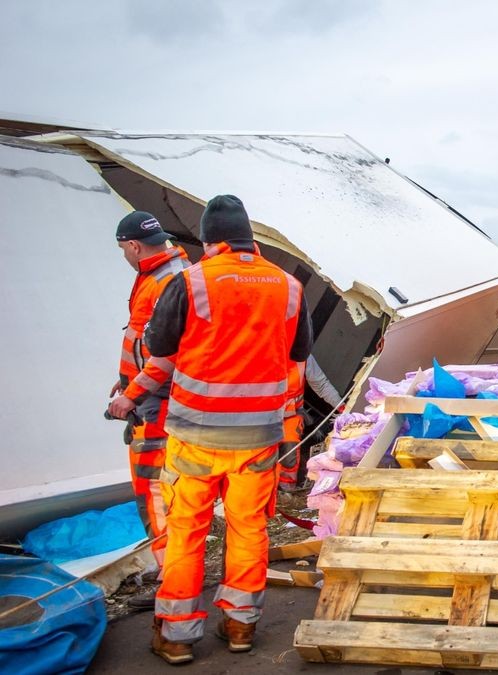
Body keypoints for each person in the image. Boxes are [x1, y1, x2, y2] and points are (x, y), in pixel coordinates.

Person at [143, 195, 311, 664]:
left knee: (187, 530)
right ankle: (240, 626)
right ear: (249, 239)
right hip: (258, 437)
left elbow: (159, 345)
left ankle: (176, 636)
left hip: (195, 436)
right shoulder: (288, 286)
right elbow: (298, 356)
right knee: (248, 527)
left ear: (208, 240)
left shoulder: (190, 281)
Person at [106, 211, 191, 610]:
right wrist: (125, 380)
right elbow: (142, 342)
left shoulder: (166, 280)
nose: (124, 253)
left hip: (157, 404)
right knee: (162, 489)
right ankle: (171, 569)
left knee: (154, 489)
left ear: (133, 246)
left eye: (123, 247)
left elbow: (166, 353)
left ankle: (171, 577)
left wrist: (133, 393)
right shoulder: (165, 272)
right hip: (151, 396)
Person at [278, 355, 343, 488]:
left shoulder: (302, 353)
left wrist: (342, 406)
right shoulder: (257, 350)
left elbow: (320, 384)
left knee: (289, 458)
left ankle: (286, 493)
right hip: (258, 420)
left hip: (290, 417)